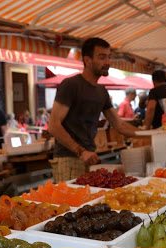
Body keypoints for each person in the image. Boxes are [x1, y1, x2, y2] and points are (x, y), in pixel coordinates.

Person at [48, 37, 138, 181]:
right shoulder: (71, 85)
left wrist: (150, 134)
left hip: (90, 157)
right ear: (87, 60)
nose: (107, 62)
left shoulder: (101, 91)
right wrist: (81, 151)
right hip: (68, 158)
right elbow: (53, 125)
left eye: (108, 57)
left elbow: (119, 125)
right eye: (102, 57)